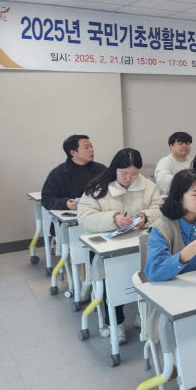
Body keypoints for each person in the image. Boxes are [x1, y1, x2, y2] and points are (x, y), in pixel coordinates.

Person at [77, 148, 162, 344]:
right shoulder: (98, 187)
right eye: (124, 173)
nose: (129, 178)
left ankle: (143, 315)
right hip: (106, 249)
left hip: (139, 244)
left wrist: (145, 217)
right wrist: (113, 219)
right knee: (112, 285)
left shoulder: (148, 186)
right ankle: (115, 322)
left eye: (134, 174)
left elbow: (160, 209)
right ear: (115, 169)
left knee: (149, 277)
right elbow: (84, 218)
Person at [41, 134, 106, 302]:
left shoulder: (101, 170)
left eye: (91, 146)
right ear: (73, 152)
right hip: (72, 225)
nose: (92, 150)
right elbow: (47, 199)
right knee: (82, 250)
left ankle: (98, 281)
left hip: (97, 220)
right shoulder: (59, 173)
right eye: (86, 147)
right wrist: (65, 203)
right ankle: (87, 282)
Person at [155, 131, 192, 196]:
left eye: (187, 143)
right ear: (171, 146)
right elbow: (163, 182)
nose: (185, 146)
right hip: (170, 198)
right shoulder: (165, 161)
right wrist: (187, 179)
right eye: (180, 144)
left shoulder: (192, 161)